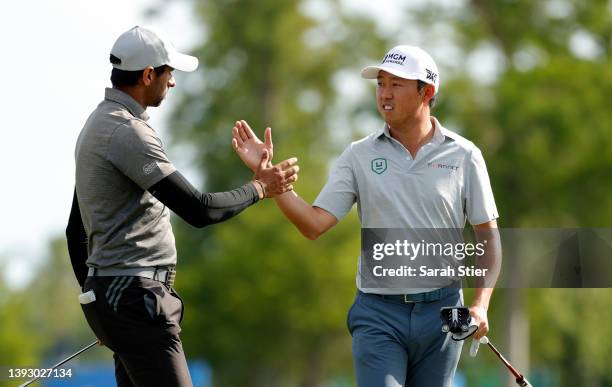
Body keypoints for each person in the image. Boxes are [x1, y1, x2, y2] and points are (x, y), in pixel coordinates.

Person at [231, 45, 501, 387]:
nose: (384, 94)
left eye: (396, 85)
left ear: (427, 92)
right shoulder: (358, 155)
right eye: (380, 84)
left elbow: (487, 236)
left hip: (442, 313)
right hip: (378, 314)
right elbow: (314, 224)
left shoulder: (464, 155)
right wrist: (271, 181)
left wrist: (480, 305)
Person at [65, 26, 299, 387]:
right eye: (168, 73)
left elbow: (74, 230)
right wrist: (259, 188)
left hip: (119, 298)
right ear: (147, 75)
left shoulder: (97, 124)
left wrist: (97, 300)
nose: (172, 82)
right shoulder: (126, 131)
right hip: (134, 298)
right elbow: (198, 209)